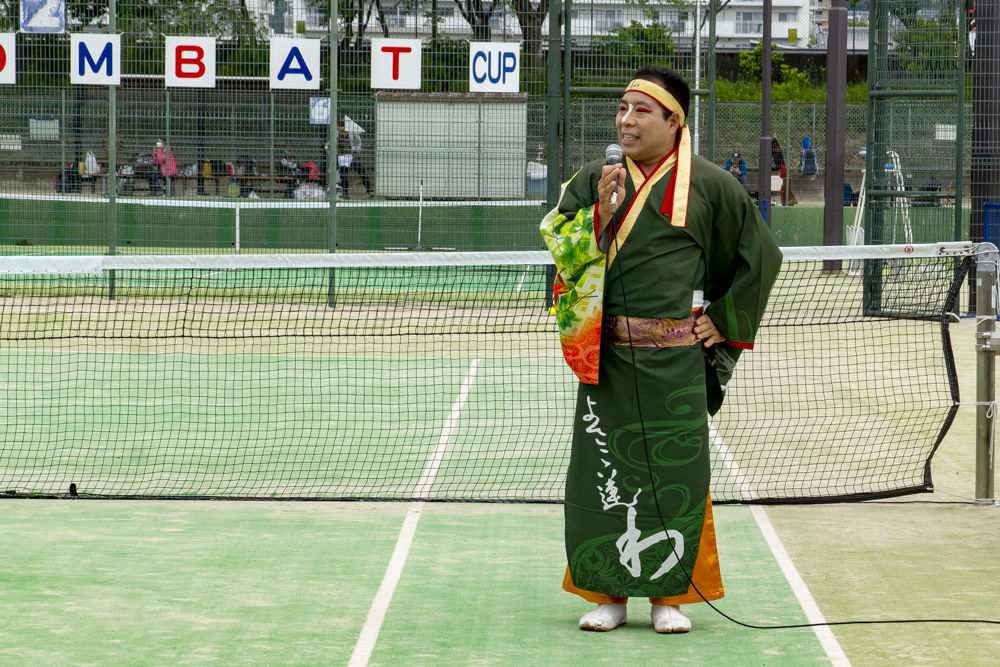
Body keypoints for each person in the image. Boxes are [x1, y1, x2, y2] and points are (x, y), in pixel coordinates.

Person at [540, 66, 782, 634]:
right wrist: (598, 215)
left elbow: (760, 256)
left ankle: (669, 597)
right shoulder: (595, 178)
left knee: (676, 475)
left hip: (676, 361)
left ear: (675, 122)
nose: (625, 121)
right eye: (622, 109)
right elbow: (558, 241)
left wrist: (722, 318)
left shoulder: (713, 185)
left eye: (641, 111)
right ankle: (607, 594)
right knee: (602, 473)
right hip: (607, 360)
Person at [337, 117, 373, 199]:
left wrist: (356, 153)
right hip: (342, 156)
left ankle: (370, 191)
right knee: (343, 174)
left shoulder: (351, 131)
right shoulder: (336, 132)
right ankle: (345, 192)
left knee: (361, 172)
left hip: (352, 155)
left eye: (337, 125)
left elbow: (358, 141)